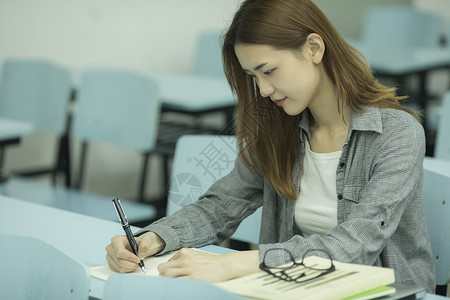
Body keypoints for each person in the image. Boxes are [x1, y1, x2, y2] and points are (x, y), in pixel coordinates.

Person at [106, 0, 436, 292]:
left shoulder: (398, 133)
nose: (263, 89)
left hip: (383, 291)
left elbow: (357, 243)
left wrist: (234, 265)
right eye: (254, 77)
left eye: (269, 71)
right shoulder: (280, 129)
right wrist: (151, 240)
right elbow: (221, 206)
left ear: (314, 49)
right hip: (296, 288)